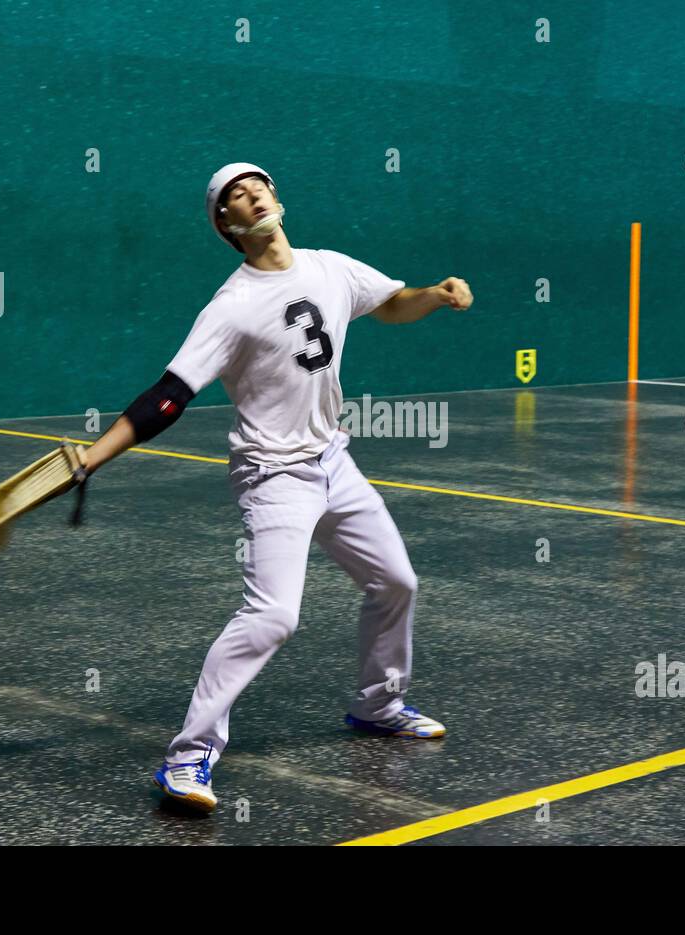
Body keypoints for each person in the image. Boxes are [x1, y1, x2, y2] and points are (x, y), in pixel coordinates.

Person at [80, 162, 473, 812]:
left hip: (332, 461)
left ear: (277, 199)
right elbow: (170, 395)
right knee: (273, 616)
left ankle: (379, 704)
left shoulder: (329, 268)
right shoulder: (231, 306)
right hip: (274, 474)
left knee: (397, 581)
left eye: (256, 184)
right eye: (233, 196)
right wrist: (95, 455)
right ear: (228, 226)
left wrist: (434, 293)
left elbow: (389, 302)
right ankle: (186, 759)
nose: (249, 194)